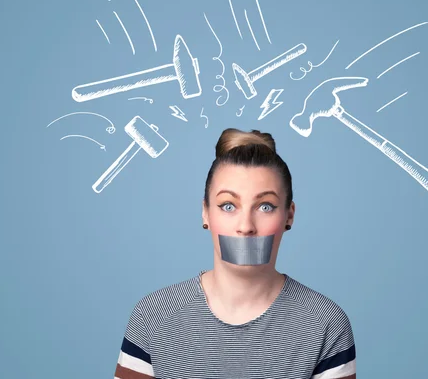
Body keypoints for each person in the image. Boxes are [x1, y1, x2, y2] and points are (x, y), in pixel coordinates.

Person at [114, 128, 357, 379]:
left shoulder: (325, 323)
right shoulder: (152, 316)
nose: (246, 227)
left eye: (265, 206)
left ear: (289, 215)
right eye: (228, 206)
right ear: (205, 213)